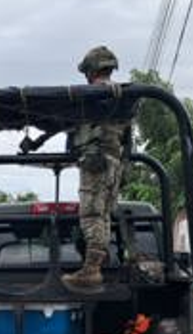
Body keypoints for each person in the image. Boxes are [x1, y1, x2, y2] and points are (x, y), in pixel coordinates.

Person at [62, 45, 129, 292]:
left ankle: (91, 269)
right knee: (103, 215)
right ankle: (99, 259)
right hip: (113, 162)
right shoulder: (122, 97)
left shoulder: (90, 96)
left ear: (91, 71)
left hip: (95, 162)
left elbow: (71, 125)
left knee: (91, 214)